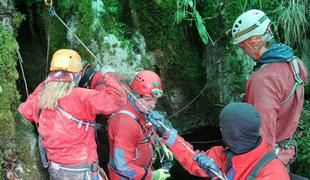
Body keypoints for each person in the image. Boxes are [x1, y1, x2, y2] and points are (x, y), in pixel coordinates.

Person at [18, 49, 126, 179]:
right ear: (76, 75)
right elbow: (116, 100)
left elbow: (23, 111)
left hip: (56, 170)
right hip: (82, 170)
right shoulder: (79, 97)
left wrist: (45, 86)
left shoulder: (40, 100)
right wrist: (109, 75)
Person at [231, 9, 308, 166]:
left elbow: (264, 132)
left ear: (253, 42)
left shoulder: (262, 80)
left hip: (269, 160)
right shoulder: (294, 62)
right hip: (287, 148)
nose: (244, 53)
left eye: (242, 47)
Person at [149, 102, 290, 179]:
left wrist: (217, 177)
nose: (220, 130)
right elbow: (193, 159)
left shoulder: (273, 173)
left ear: (234, 135)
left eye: (223, 128)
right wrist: (168, 132)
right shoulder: (225, 154)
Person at [107, 70, 173, 180]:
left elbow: (146, 131)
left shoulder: (141, 110)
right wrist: (153, 176)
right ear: (135, 95)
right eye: (148, 100)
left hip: (143, 169)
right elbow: (122, 166)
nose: (152, 105)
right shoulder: (124, 123)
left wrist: (159, 144)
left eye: (155, 100)